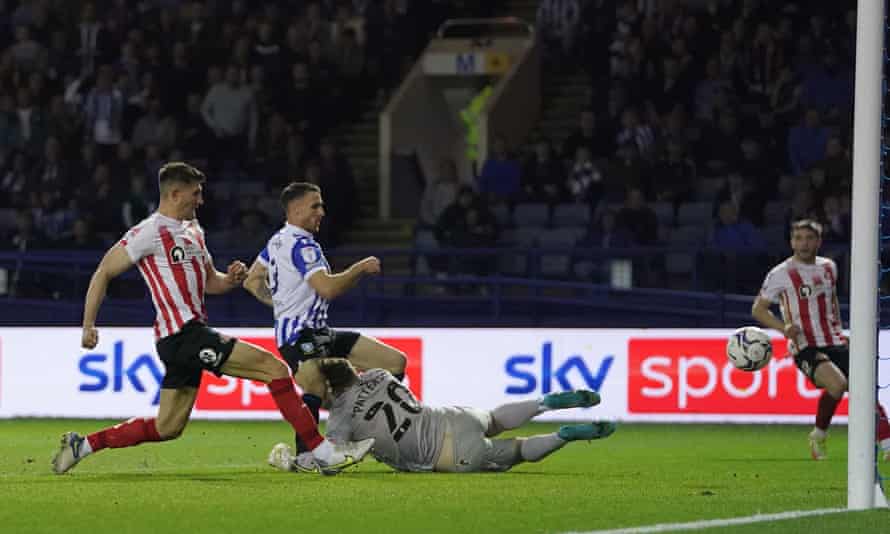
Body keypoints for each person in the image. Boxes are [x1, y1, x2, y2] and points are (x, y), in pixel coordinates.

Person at [51, 163, 373, 476]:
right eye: (196, 193)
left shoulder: (194, 230)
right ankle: (319, 451)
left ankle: (84, 446)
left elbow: (209, 283)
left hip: (187, 337)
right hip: (181, 334)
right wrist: (89, 324)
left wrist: (231, 278)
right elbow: (104, 271)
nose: (201, 200)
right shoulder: (149, 232)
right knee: (273, 369)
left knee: (168, 427)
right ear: (175, 194)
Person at [242, 182, 407, 452]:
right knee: (315, 384)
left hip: (318, 331)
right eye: (315, 206)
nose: (322, 211)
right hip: (299, 337)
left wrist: (281, 305)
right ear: (295, 211)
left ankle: (368, 429)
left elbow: (252, 281)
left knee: (394, 362)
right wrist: (359, 268)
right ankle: (306, 455)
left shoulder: (277, 240)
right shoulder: (304, 246)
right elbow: (328, 288)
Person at [267, 358, 616, 474]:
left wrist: (295, 461)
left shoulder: (340, 420)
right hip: (456, 415)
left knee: (520, 450)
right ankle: (545, 403)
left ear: (329, 388)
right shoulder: (379, 374)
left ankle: (563, 435)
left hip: (447, 454)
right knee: (494, 419)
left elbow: (332, 461)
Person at [751, 219, 890, 460]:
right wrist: (783, 328)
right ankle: (820, 435)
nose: (803, 243)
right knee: (837, 384)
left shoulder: (829, 267)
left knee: (865, 389)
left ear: (818, 241)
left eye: (809, 238)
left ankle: (885, 442)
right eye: (798, 238)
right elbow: (759, 309)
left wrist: (840, 329)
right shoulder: (781, 274)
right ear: (791, 242)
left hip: (835, 339)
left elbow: (832, 301)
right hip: (805, 345)